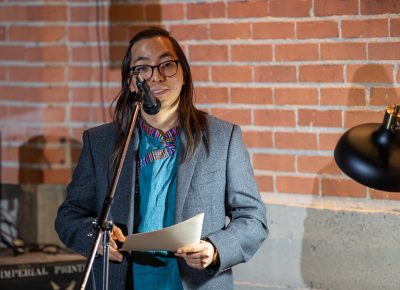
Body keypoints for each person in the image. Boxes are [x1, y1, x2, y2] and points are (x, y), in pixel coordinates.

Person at [55, 27, 268, 290]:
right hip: (125, 280)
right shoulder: (100, 142)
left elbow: (252, 218)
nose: (156, 76)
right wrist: (96, 238)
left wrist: (214, 249)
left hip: (194, 282)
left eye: (166, 64)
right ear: (131, 81)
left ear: (184, 73)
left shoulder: (224, 138)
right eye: (143, 68)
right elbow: (69, 215)